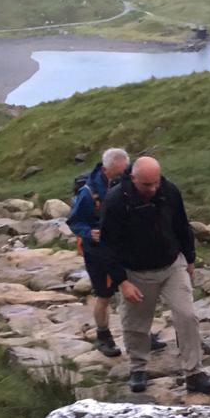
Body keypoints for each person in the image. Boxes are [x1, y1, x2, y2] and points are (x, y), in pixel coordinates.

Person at [99, 156, 210, 395]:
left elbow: (181, 225)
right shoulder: (115, 201)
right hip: (135, 271)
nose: (153, 189)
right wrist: (122, 281)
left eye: (156, 183)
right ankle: (138, 368)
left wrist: (190, 259)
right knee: (135, 324)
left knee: (187, 315)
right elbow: (107, 244)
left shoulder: (169, 191)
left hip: (172, 265)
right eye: (147, 185)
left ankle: (194, 373)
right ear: (133, 178)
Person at [66, 147, 168, 359]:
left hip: (126, 248)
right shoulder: (88, 192)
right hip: (98, 251)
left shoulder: (130, 184)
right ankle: (104, 337)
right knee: (104, 295)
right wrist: (88, 232)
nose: (124, 177)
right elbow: (74, 221)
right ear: (105, 169)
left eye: (126, 173)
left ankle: (142, 335)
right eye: (118, 173)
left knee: (137, 292)